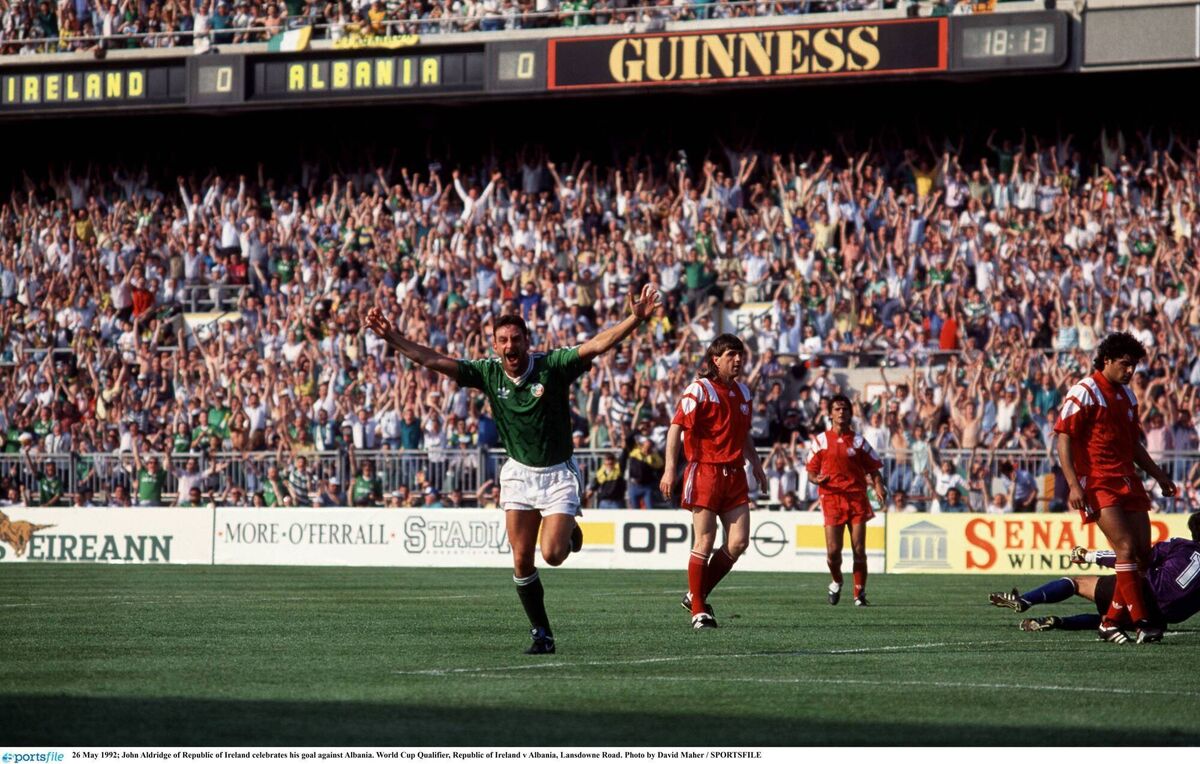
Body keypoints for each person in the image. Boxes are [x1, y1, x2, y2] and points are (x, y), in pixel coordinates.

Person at [364, 283, 660, 654]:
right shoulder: (488, 373)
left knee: (552, 555)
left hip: (557, 473)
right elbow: (433, 360)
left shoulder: (552, 366)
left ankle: (568, 534)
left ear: (527, 341)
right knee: (521, 559)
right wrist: (393, 338)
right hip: (519, 473)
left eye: (515, 339)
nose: (509, 346)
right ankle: (542, 634)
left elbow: (597, 345)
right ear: (494, 345)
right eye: (502, 340)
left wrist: (634, 318)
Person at [1054, 332, 1177, 644]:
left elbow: (1132, 444)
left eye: (1134, 365)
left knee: (1143, 558)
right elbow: (1064, 437)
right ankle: (1143, 622)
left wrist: (1159, 475)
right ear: (1106, 360)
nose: (1131, 370)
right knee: (1124, 548)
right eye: (1125, 364)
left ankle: (1109, 622)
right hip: (1097, 481)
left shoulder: (1127, 396)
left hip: (1127, 480)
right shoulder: (1085, 390)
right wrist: (1072, 484)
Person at [660, 333, 767, 629]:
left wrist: (756, 464)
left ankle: (696, 593)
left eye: (740, 354)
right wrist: (670, 470)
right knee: (704, 540)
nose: (738, 360)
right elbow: (675, 428)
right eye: (731, 355)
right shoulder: (699, 390)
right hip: (705, 471)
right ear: (715, 360)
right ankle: (698, 610)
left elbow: (743, 433)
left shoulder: (743, 392)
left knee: (739, 542)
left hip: (734, 474)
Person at [989, 512, 1200, 634]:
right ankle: (1059, 622)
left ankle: (1025, 601)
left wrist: (1089, 556)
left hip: (1145, 592)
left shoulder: (1180, 545)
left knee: (1076, 583)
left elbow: (1133, 559)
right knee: (1109, 618)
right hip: (1165, 617)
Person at [805, 395, 887, 607]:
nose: (841, 412)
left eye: (845, 409)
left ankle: (859, 594)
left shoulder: (859, 441)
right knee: (833, 552)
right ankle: (837, 580)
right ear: (830, 413)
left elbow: (873, 469)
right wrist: (817, 479)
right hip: (831, 498)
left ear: (850, 413)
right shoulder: (821, 441)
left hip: (857, 498)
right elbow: (811, 472)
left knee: (859, 549)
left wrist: (878, 485)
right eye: (837, 409)